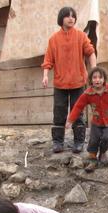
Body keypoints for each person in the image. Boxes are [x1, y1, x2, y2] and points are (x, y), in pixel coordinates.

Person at [42, 6, 97, 154]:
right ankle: (58, 142)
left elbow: (90, 53)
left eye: (73, 16)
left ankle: (78, 142)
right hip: (60, 83)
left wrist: (94, 71)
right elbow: (48, 60)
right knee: (59, 112)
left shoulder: (81, 36)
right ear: (61, 19)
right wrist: (46, 75)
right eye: (67, 16)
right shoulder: (53, 39)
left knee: (77, 112)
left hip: (78, 82)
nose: (71, 18)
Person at [66, 67, 108, 172]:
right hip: (96, 122)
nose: (97, 80)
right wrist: (70, 120)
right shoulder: (88, 94)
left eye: (100, 77)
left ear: (104, 79)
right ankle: (92, 159)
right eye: (94, 78)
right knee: (94, 139)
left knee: (107, 138)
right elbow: (78, 106)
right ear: (91, 80)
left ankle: (102, 153)